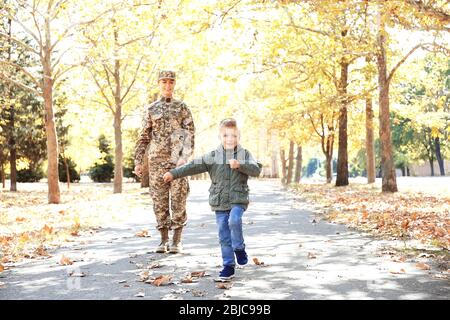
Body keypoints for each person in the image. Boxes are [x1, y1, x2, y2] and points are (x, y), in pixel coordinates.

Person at [163, 118, 262, 281]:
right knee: (223, 233)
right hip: (219, 201)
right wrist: (174, 173)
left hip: (238, 198)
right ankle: (228, 266)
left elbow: (256, 169)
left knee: (234, 221)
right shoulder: (212, 156)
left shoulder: (245, 154)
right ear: (219, 136)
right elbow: (192, 166)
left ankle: (239, 247)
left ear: (239, 136)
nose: (230, 139)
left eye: (234, 136)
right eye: (225, 135)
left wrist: (240, 165)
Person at [134, 70, 195, 254]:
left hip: (178, 163)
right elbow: (143, 137)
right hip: (156, 162)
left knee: (178, 200)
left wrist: (184, 157)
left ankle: (177, 241)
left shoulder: (182, 107)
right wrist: (138, 161)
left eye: (171, 82)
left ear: (174, 84)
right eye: (164, 82)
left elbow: (190, 134)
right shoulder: (151, 109)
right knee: (159, 201)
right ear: (159, 84)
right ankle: (163, 241)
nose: (168, 86)